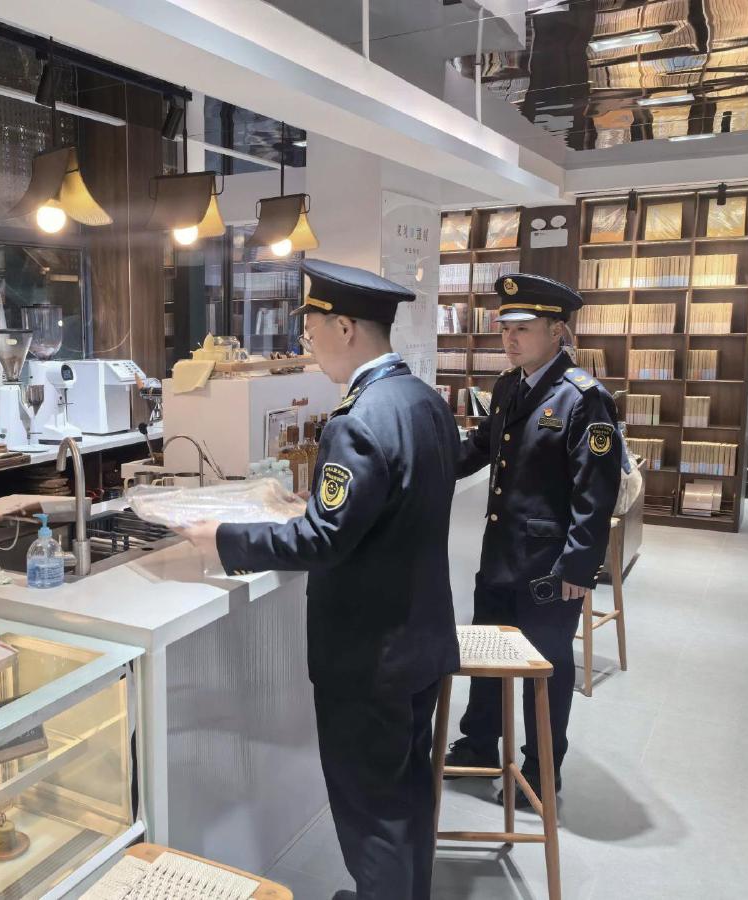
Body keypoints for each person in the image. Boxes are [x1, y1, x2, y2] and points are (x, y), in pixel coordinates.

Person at [179, 259, 460, 900]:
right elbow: (391, 508)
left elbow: (323, 543)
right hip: (420, 642)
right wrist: (314, 508)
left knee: (371, 813)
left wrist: (224, 539)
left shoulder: (357, 417)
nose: (308, 343)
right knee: (407, 793)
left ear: (345, 328)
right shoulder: (422, 400)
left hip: (369, 657)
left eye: (311, 330)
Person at [445, 273, 621, 805]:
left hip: (549, 564)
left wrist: (579, 567)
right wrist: (421, 466)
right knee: (487, 653)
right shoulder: (508, 386)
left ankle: (543, 768)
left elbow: (596, 492)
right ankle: (479, 745)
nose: (510, 339)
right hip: (501, 551)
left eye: (522, 328)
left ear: (556, 331)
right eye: (506, 328)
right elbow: (480, 448)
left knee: (544, 665)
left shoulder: (583, 398)